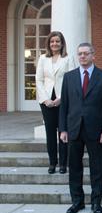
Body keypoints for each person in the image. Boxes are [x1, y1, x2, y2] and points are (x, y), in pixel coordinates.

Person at [60, 43, 102, 213]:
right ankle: (77, 202)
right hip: (74, 129)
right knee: (74, 167)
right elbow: (64, 107)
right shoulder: (69, 77)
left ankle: (96, 202)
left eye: (86, 53)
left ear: (93, 55)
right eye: (80, 54)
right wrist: (63, 129)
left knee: (97, 167)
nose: (82, 56)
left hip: (96, 130)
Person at [35, 31, 73, 174]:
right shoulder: (43, 58)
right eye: (52, 41)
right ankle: (52, 163)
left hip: (63, 100)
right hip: (46, 101)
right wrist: (45, 99)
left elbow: (72, 80)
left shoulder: (68, 58)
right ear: (49, 43)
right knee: (50, 133)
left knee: (63, 131)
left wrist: (62, 98)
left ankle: (63, 163)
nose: (55, 44)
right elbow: (38, 79)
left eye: (57, 41)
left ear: (62, 43)